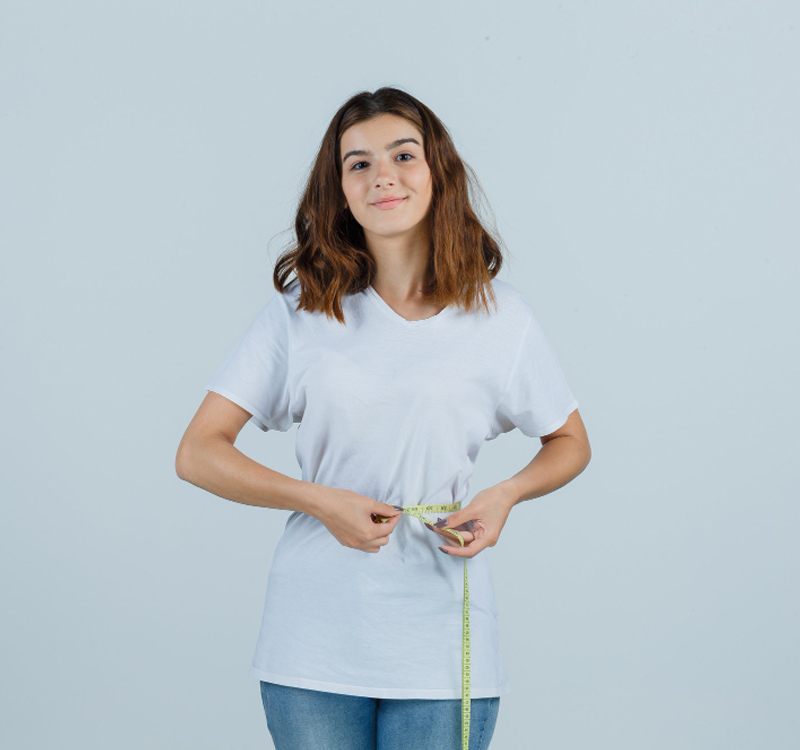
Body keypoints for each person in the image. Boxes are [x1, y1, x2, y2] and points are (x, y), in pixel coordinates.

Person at [175, 86, 591, 750]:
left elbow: (569, 440)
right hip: (313, 642)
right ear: (339, 190)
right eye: (358, 163)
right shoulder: (302, 311)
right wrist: (319, 501)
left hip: (442, 638)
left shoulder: (499, 315)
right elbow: (198, 452)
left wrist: (507, 494)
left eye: (403, 155)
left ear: (437, 172)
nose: (382, 177)